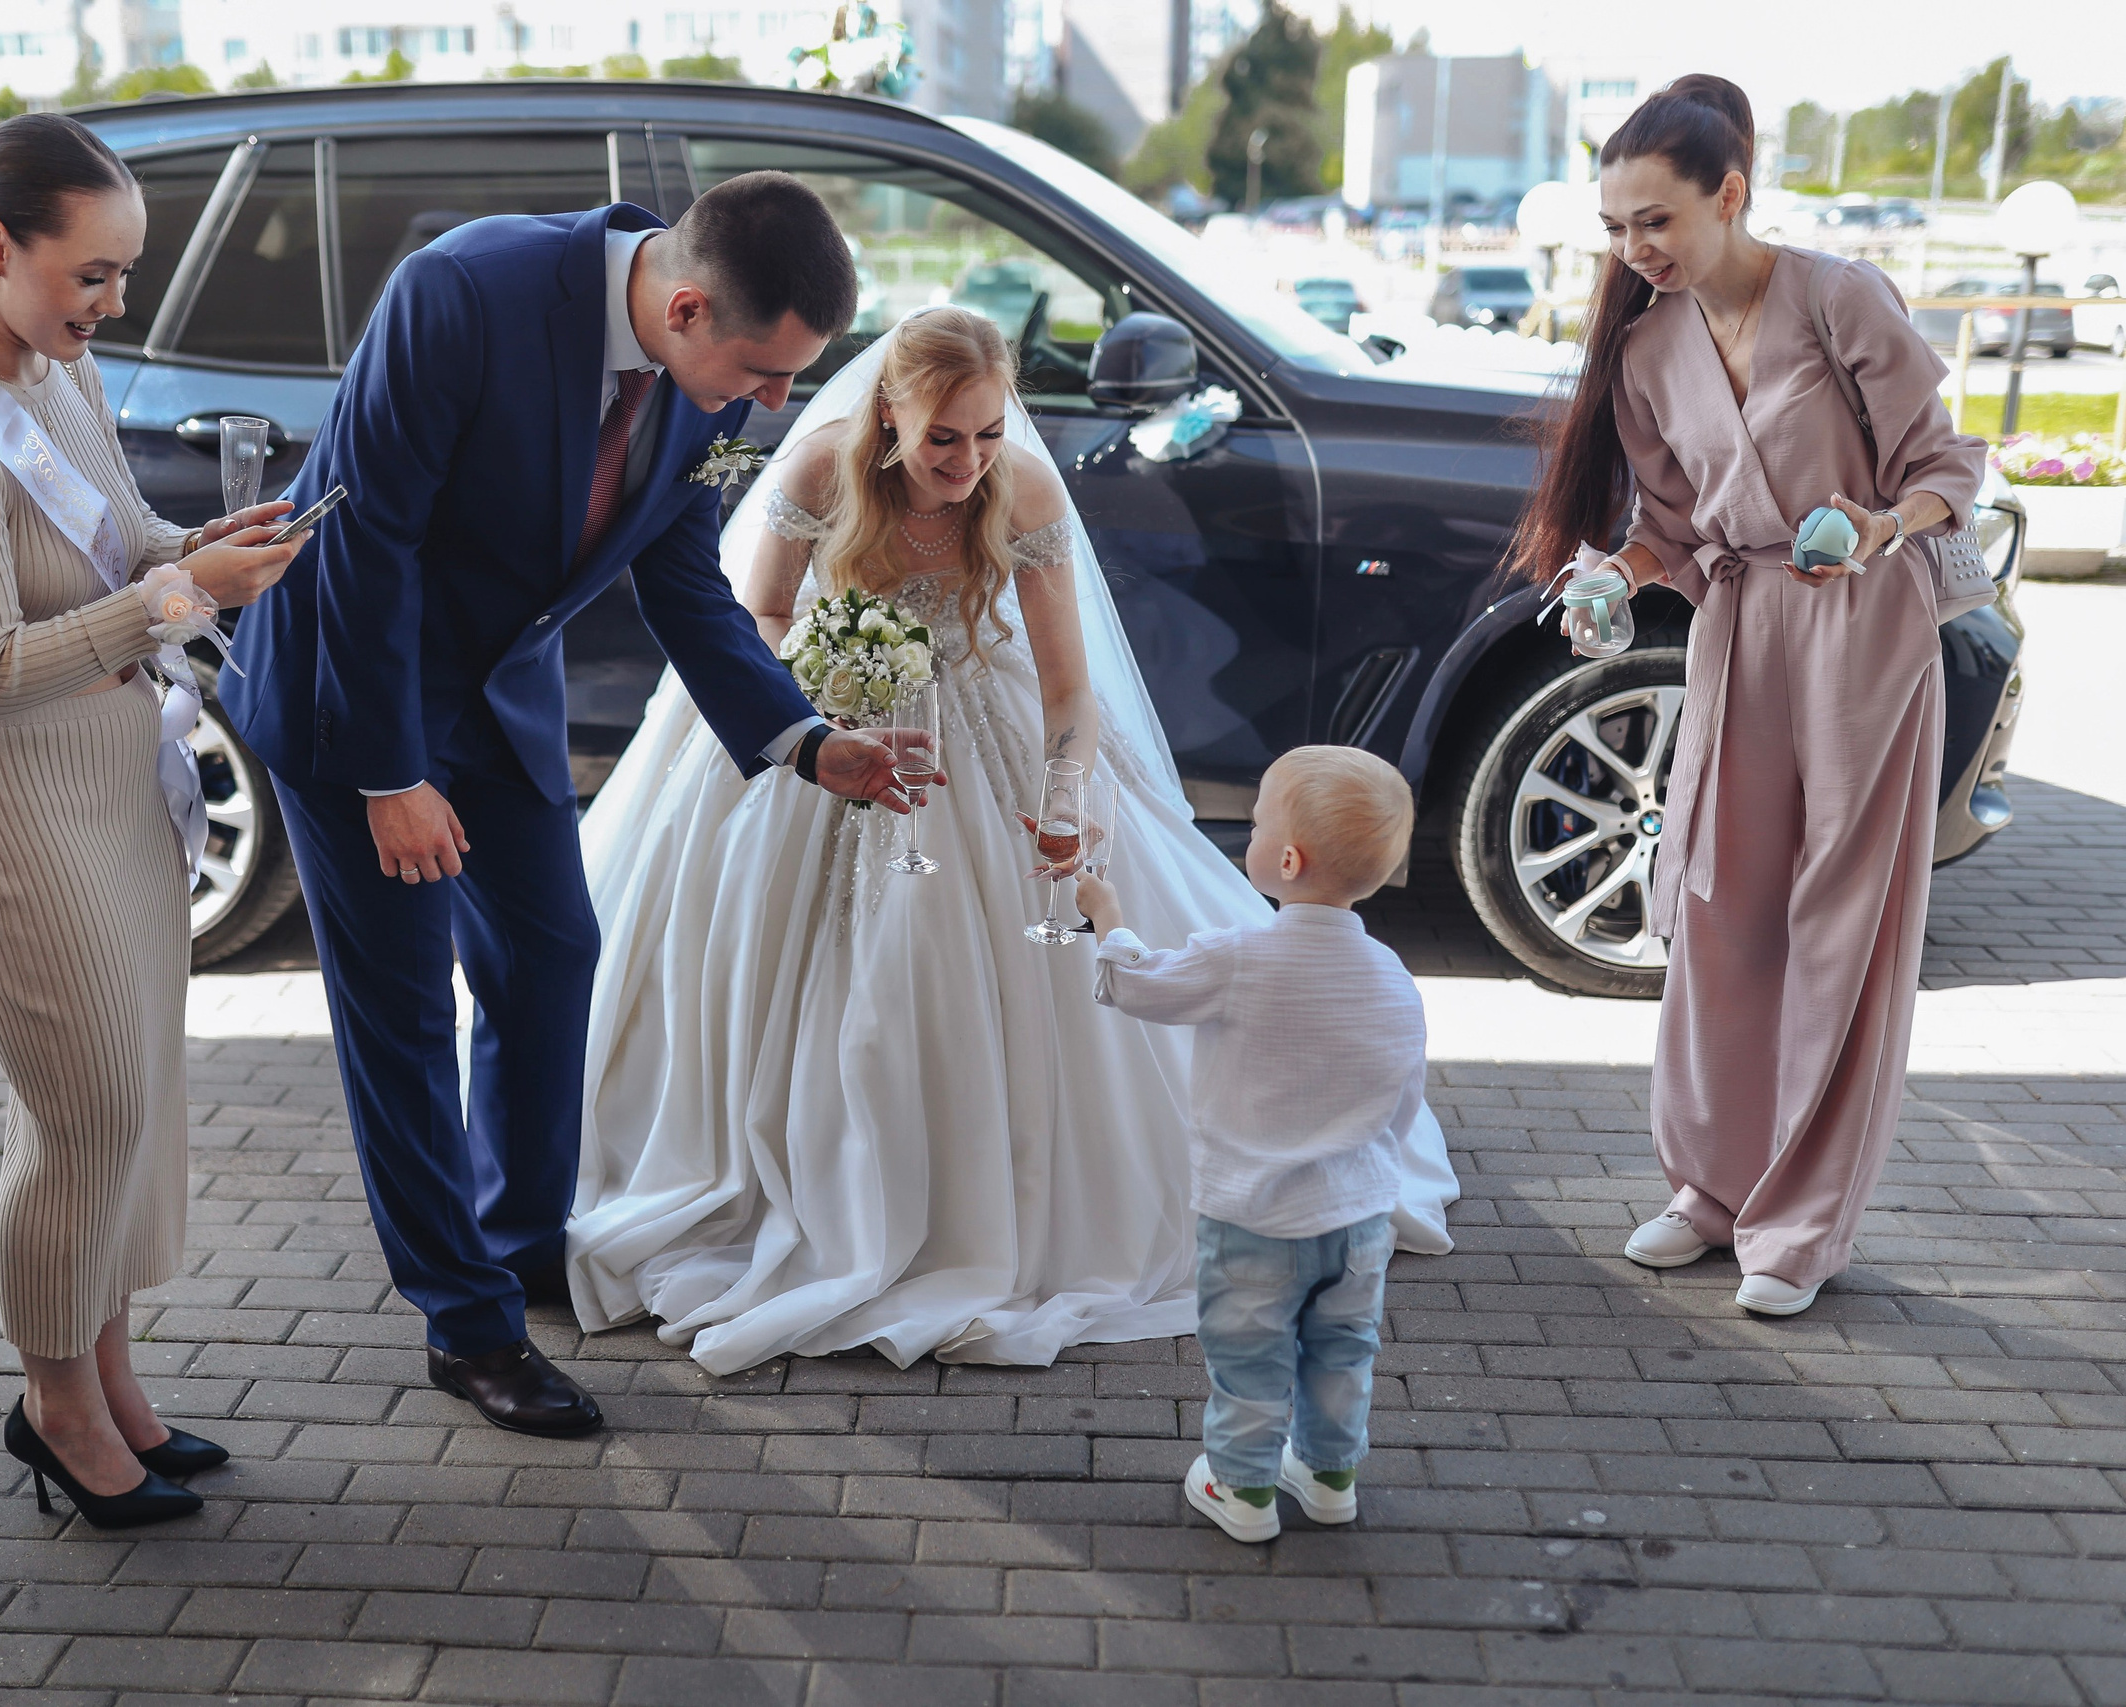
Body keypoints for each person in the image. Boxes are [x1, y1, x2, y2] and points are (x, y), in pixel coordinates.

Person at [565, 310, 1459, 1375]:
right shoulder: (815, 471)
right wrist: (824, 706)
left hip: (983, 726)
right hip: (833, 725)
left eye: (987, 433)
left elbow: (1070, 687)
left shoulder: (1021, 489)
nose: (969, 460)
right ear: (889, 414)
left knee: (1003, 946)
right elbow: (754, 620)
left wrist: (1067, 789)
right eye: (945, 437)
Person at [226, 172, 927, 1435]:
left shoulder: (711, 385)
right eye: (763, 375)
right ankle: (467, 1324)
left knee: (555, 957)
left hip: (500, 704)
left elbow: (681, 572)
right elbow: (364, 542)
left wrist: (803, 738)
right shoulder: (462, 290)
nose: (776, 406)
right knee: (401, 1017)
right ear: (687, 304)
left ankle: (521, 1235)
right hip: (354, 701)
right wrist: (392, 777)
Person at [0, 114, 302, 1526]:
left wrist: (207, 551)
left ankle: (108, 1376)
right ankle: (54, 1404)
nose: (112, 305)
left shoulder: (64, 371)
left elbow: (121, 547)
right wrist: (185, 599)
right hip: (8, 809)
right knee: (85, 1109)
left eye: (121, 276)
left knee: (133, 1099)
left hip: (110, 778)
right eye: (91, 275)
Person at [1505, 75, 1986, 1317]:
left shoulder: (1836, 296)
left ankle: (1799, 1223)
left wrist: (1877, 525)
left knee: (1841, 924)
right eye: (1616, 228)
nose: (1635, 250)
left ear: (1731, 196)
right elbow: (1669, 525)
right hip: (1737, 628)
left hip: (1862, 629)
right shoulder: (1648, 349)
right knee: (1716, 901)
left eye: (1655, 221)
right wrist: (1616, 569)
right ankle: (1709, 1191)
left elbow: (1946, 467)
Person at [1075, 745, 1424, 1544]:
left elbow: (1136, 985)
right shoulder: (1391, 974)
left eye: (1261, 820)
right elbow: (1402, 1100)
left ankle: (1243, 1490)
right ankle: (1332, 1478)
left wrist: (1109, 916)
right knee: (1342, 1356)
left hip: (1252, 1218)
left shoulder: (1239, 955)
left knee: (1251, 1360)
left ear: (1289, 860)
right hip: (1358, 1220)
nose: (1253, 831)